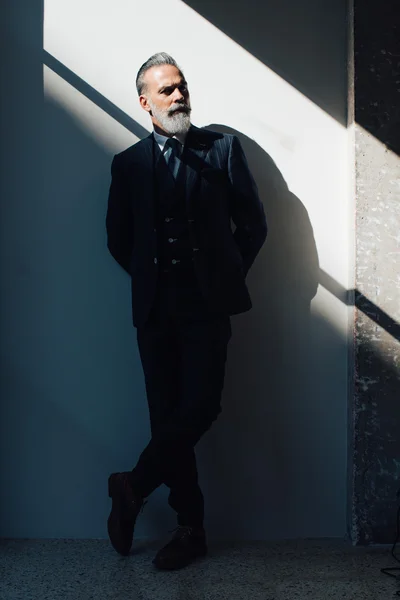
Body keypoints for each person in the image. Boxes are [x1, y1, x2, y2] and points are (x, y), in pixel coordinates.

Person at [105, 52, 267, 570]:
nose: (179, 96)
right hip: (155, 310)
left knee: (200, 407)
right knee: (167, 417)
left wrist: (221, 278)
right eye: (167, 90)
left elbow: (253, 226)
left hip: (206, 308)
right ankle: (190, 528)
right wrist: (154, 279)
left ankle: (132, 484)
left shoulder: (222, 150)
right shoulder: (127, 163)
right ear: (144, 102)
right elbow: (118, 238)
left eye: (182, 86)